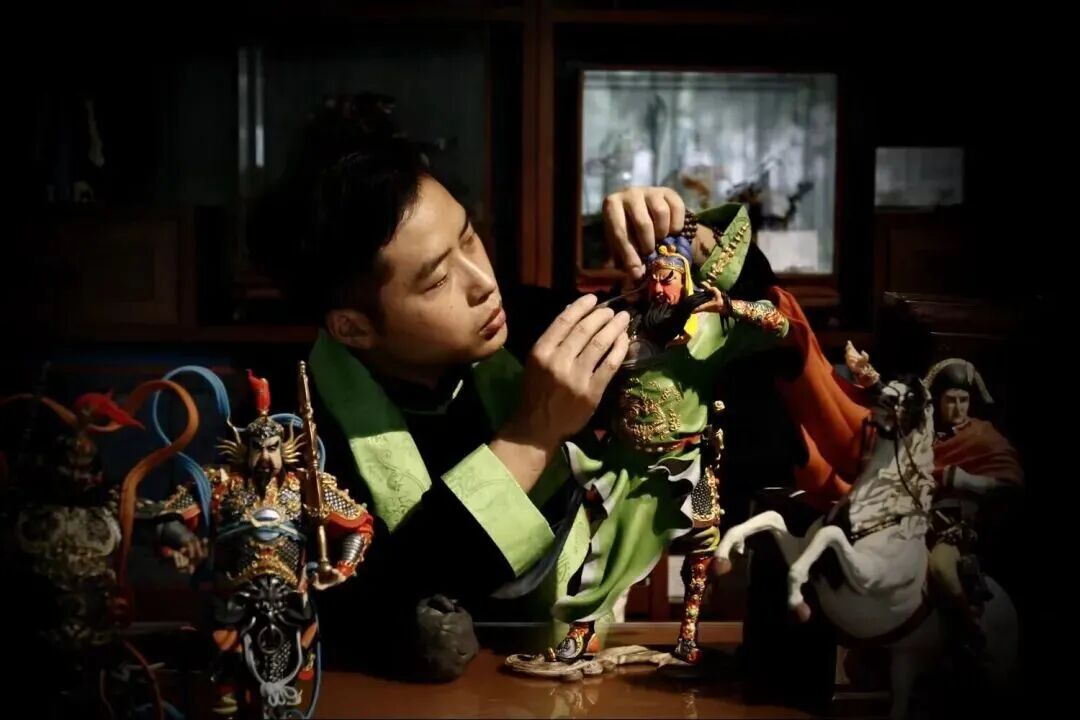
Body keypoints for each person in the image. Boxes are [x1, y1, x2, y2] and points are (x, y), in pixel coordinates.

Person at [923, 358, 1024, 653]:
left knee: (941, 567)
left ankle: (971, 627)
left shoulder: (982, 436)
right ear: (938, 401)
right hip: (914, 524)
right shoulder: (923, 435)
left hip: (953, 530)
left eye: (963, 400)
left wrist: (967, 481)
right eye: (950, 400)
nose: (958, 408)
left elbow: (1011, 483)